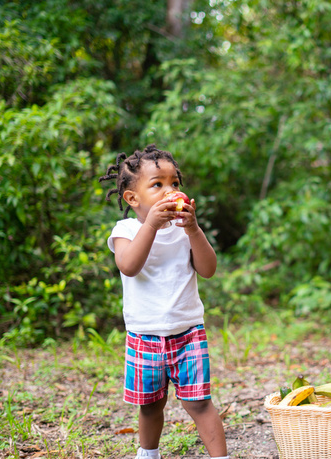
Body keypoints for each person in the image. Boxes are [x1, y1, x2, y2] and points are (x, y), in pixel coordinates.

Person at [99, 144, 228, 459]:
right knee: (150, 404)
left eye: (174, 183)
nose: (170, 190)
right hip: (145, 334)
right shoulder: (126, 230)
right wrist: (152, 226)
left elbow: (208, 270)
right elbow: (129, 265)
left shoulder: (185, 231)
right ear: (133, 198)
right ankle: (149, 454)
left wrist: (194, 229)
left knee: (199, 403)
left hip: (188, 332)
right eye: (157, 184)